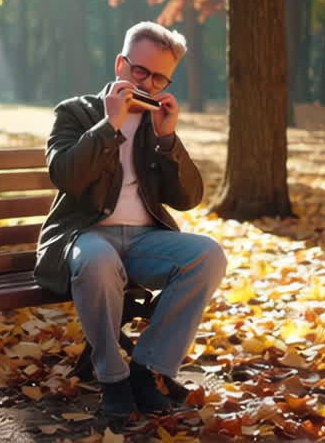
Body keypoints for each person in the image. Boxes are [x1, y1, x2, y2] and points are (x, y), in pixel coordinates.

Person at [34, 21, 227, 419]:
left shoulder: (156, 124)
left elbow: (188, 198)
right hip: (85, 235)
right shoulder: (75, 113)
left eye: (160, 77)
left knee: (207, 255)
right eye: (140, 71)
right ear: (121, 63)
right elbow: (66, 175)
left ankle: (148, 368)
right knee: (97, 262)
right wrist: (110, 124)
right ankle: (113, 377)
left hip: (144, 241)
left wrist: (168, 140)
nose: (149, 84)